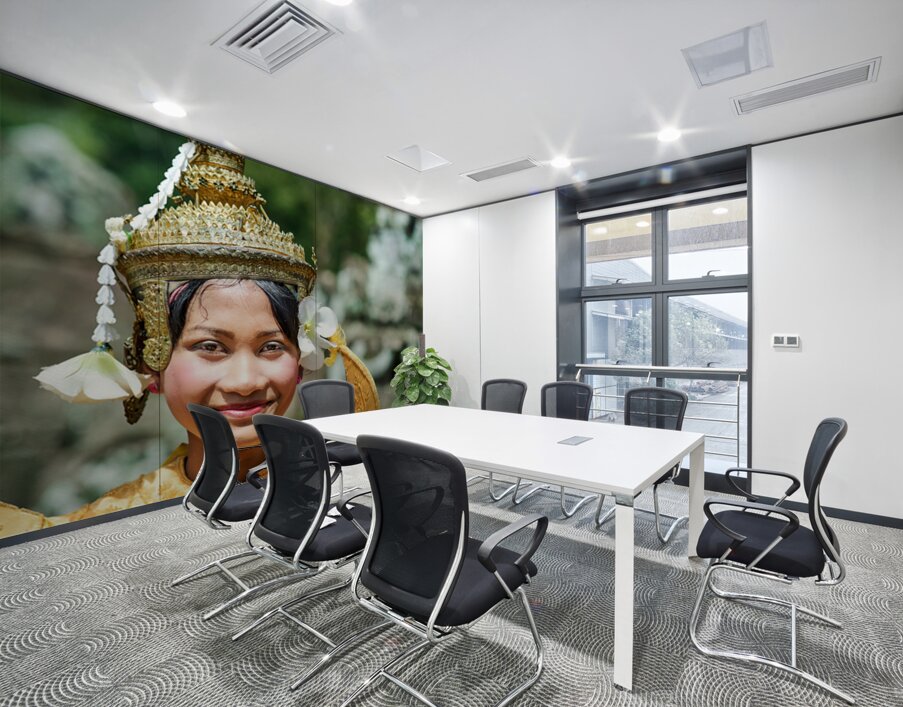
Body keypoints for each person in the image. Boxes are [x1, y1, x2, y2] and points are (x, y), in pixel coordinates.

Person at [0, 142, 377, 537]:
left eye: (270, 346)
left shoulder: (348, 486)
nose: (246, 381)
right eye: (211, 347)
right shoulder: (118, 518)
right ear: (152, 362)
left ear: (300, 361)